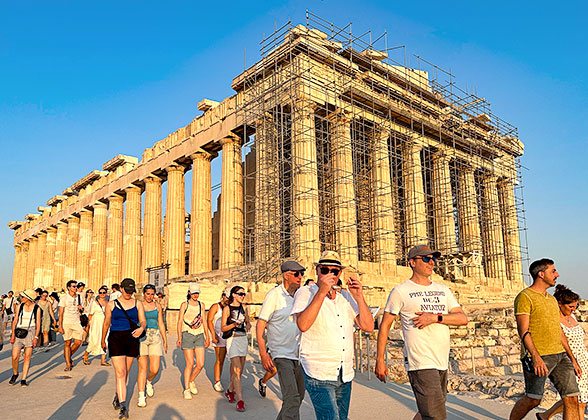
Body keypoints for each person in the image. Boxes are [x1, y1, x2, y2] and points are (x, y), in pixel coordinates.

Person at [375, 245, 468, 420]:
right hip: (420, 361)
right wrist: (380, 360)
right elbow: (385, 325)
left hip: (441, 361)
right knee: (436, 416)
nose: (431, 262)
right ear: (412, 263)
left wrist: (435, 318)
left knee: (427, 412)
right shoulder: (401, 291)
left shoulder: (443, 289)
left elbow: (462, 318)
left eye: (433, 258)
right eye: (426, 259)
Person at [291, 250, 374, 420]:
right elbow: (303, 325)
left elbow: (368, 326)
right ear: (317, 271)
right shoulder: (306, 293)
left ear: (340, 274)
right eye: (325, 270)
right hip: (318, 371)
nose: (330, 274)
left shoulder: (345, 296)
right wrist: (322, 292)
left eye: (334, 271)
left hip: (344, 372)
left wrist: (359, 297)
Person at [509, 258, 581, 420]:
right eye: (553, 271)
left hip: (560, 355)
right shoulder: (525, 297)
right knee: (533, 399)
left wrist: (572, 359)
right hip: (539, 356)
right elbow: (523, 330)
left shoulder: (551, 300)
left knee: (572, 398)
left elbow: (559, 332)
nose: (557, 274)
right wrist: (535, 357)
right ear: (541, 274)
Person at [257, 260, 306, 419]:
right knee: (291, 398)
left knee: (298, 396)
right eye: (297, 274)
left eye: (302, 274)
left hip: (299, 354)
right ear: (286, 275)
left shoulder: (300, 295)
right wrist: (264, 354)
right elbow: (260, 324)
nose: (300, 277)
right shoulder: (274, 295)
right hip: (281, 353)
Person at [537, 284, 588, 419]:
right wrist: (574, 361)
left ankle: (545, 415)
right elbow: (563, 342)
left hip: (583, 360)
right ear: (560, 304)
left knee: (581, 399)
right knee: (575, 399)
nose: (573, 309)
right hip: (569, 361)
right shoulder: (554, 320)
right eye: (571, 306)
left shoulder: (573, 317)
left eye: (575, 306)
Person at [101, 278, 146, 420]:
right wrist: (102, 340)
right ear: (121, 288)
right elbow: (106, 323)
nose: (128, 294)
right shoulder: (111, 304)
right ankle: (123, 406)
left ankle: (118, 394)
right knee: (120, 372)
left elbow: (143, 320)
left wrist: (142, 328)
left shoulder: (138, 303)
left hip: (132, 338)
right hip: (116, 339)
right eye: (127, 291)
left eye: (131, 291)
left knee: (125, 372)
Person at [177, 283, 210, 400]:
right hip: (187, 334)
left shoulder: (202, 305)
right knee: (190, 363)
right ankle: (186, 388)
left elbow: (204, 321)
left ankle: (191, 380)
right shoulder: (184, 305)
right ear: (189, 292)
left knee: (200, 364)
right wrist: (179, 337)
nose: (196, 295)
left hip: (199, 334)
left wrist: (208, 336)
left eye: (197, 293)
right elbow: (180, 321)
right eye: (194, 293)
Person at [137, 284, 167, 408]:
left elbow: (160, 322)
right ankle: (141, 396)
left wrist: (165, 340)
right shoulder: (139, 305)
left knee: (155, 368)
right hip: (142, 337)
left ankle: (149, 382)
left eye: (152, 294)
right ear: (144, 293)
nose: (150, 296)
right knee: (142, 369)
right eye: (147, 293)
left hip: (155, 336)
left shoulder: (157, 306)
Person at [221, 285, 251, 412]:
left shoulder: (244, 308)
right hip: (232, 339)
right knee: (237, 370)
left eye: (244, 294)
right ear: (233, 295)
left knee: (240, 370)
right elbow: (223, 328)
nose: (243, 296)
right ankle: (240, 400)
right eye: (240, 294)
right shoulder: (227, 309)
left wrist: (247, 326)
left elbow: (248, 322)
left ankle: (229, 390)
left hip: (243, 339)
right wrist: (233, 324)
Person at [8, 289, 41, 386]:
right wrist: (12, 335)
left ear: (28, 298)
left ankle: (24, 379)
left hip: (31, 331)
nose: (21, 298)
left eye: (23, 297)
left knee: (27, 356)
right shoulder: (19, 306)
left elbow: (38, 324)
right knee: (15, 357)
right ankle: (15, 373)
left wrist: (36, 337)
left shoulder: (37, 308)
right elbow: (15, 321)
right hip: (19, 330)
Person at [207, 288, 230, 392]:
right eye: (227, 297)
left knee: (230, 360)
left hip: (230, 335)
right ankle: (217, 381)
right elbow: (209, 320)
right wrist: (213, 334)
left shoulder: (231, 306)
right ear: (223, 296)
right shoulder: (216, 306)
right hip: (219, 335)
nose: (228, 299)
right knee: (220, 359)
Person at [59, 280, 84, 371]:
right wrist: (60, 326)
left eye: (76, 286)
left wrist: (81, 309)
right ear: (69, 287)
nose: (75, 288)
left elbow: (81, 311)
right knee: (67, 343)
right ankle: (68, 364)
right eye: (73, 286)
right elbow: (60, 313)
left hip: (76, 321)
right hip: (66, 322)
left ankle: (68, 356)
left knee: (78, 342)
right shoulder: (64, 298)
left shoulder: (79, 297)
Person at [83, 285, 110, 366]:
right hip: (96, 323)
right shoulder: (94, 303)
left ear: (106, 293)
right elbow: (90, 314)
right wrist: (88, 325)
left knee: (105, 340)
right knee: (94, 339)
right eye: (100, 293)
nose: (102, 294)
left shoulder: (109, 303)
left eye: (104, 293)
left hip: (105, 322)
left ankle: (103, 360)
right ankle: (85, 355)